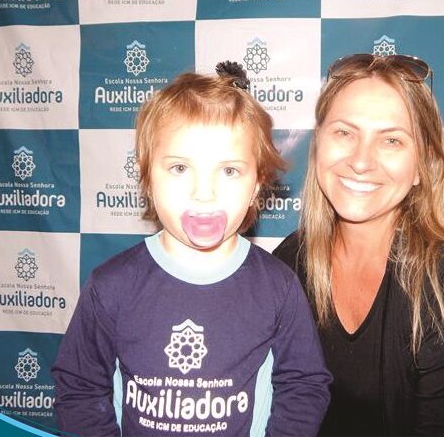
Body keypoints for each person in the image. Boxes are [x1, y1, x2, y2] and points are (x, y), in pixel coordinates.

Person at [52, 62, 331, 437]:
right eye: (180, 168)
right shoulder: (111, 287)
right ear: (147, 176)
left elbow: (305, 386)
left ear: (256, 185)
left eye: (229, 171)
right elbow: (79, 389)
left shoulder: (278, 287)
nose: (204, 193)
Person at [273, 54, 444, 436]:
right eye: (344, 133)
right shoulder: (291, 262)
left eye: (392, 140)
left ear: (421, 166)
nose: (361, 161)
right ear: (317, 146)